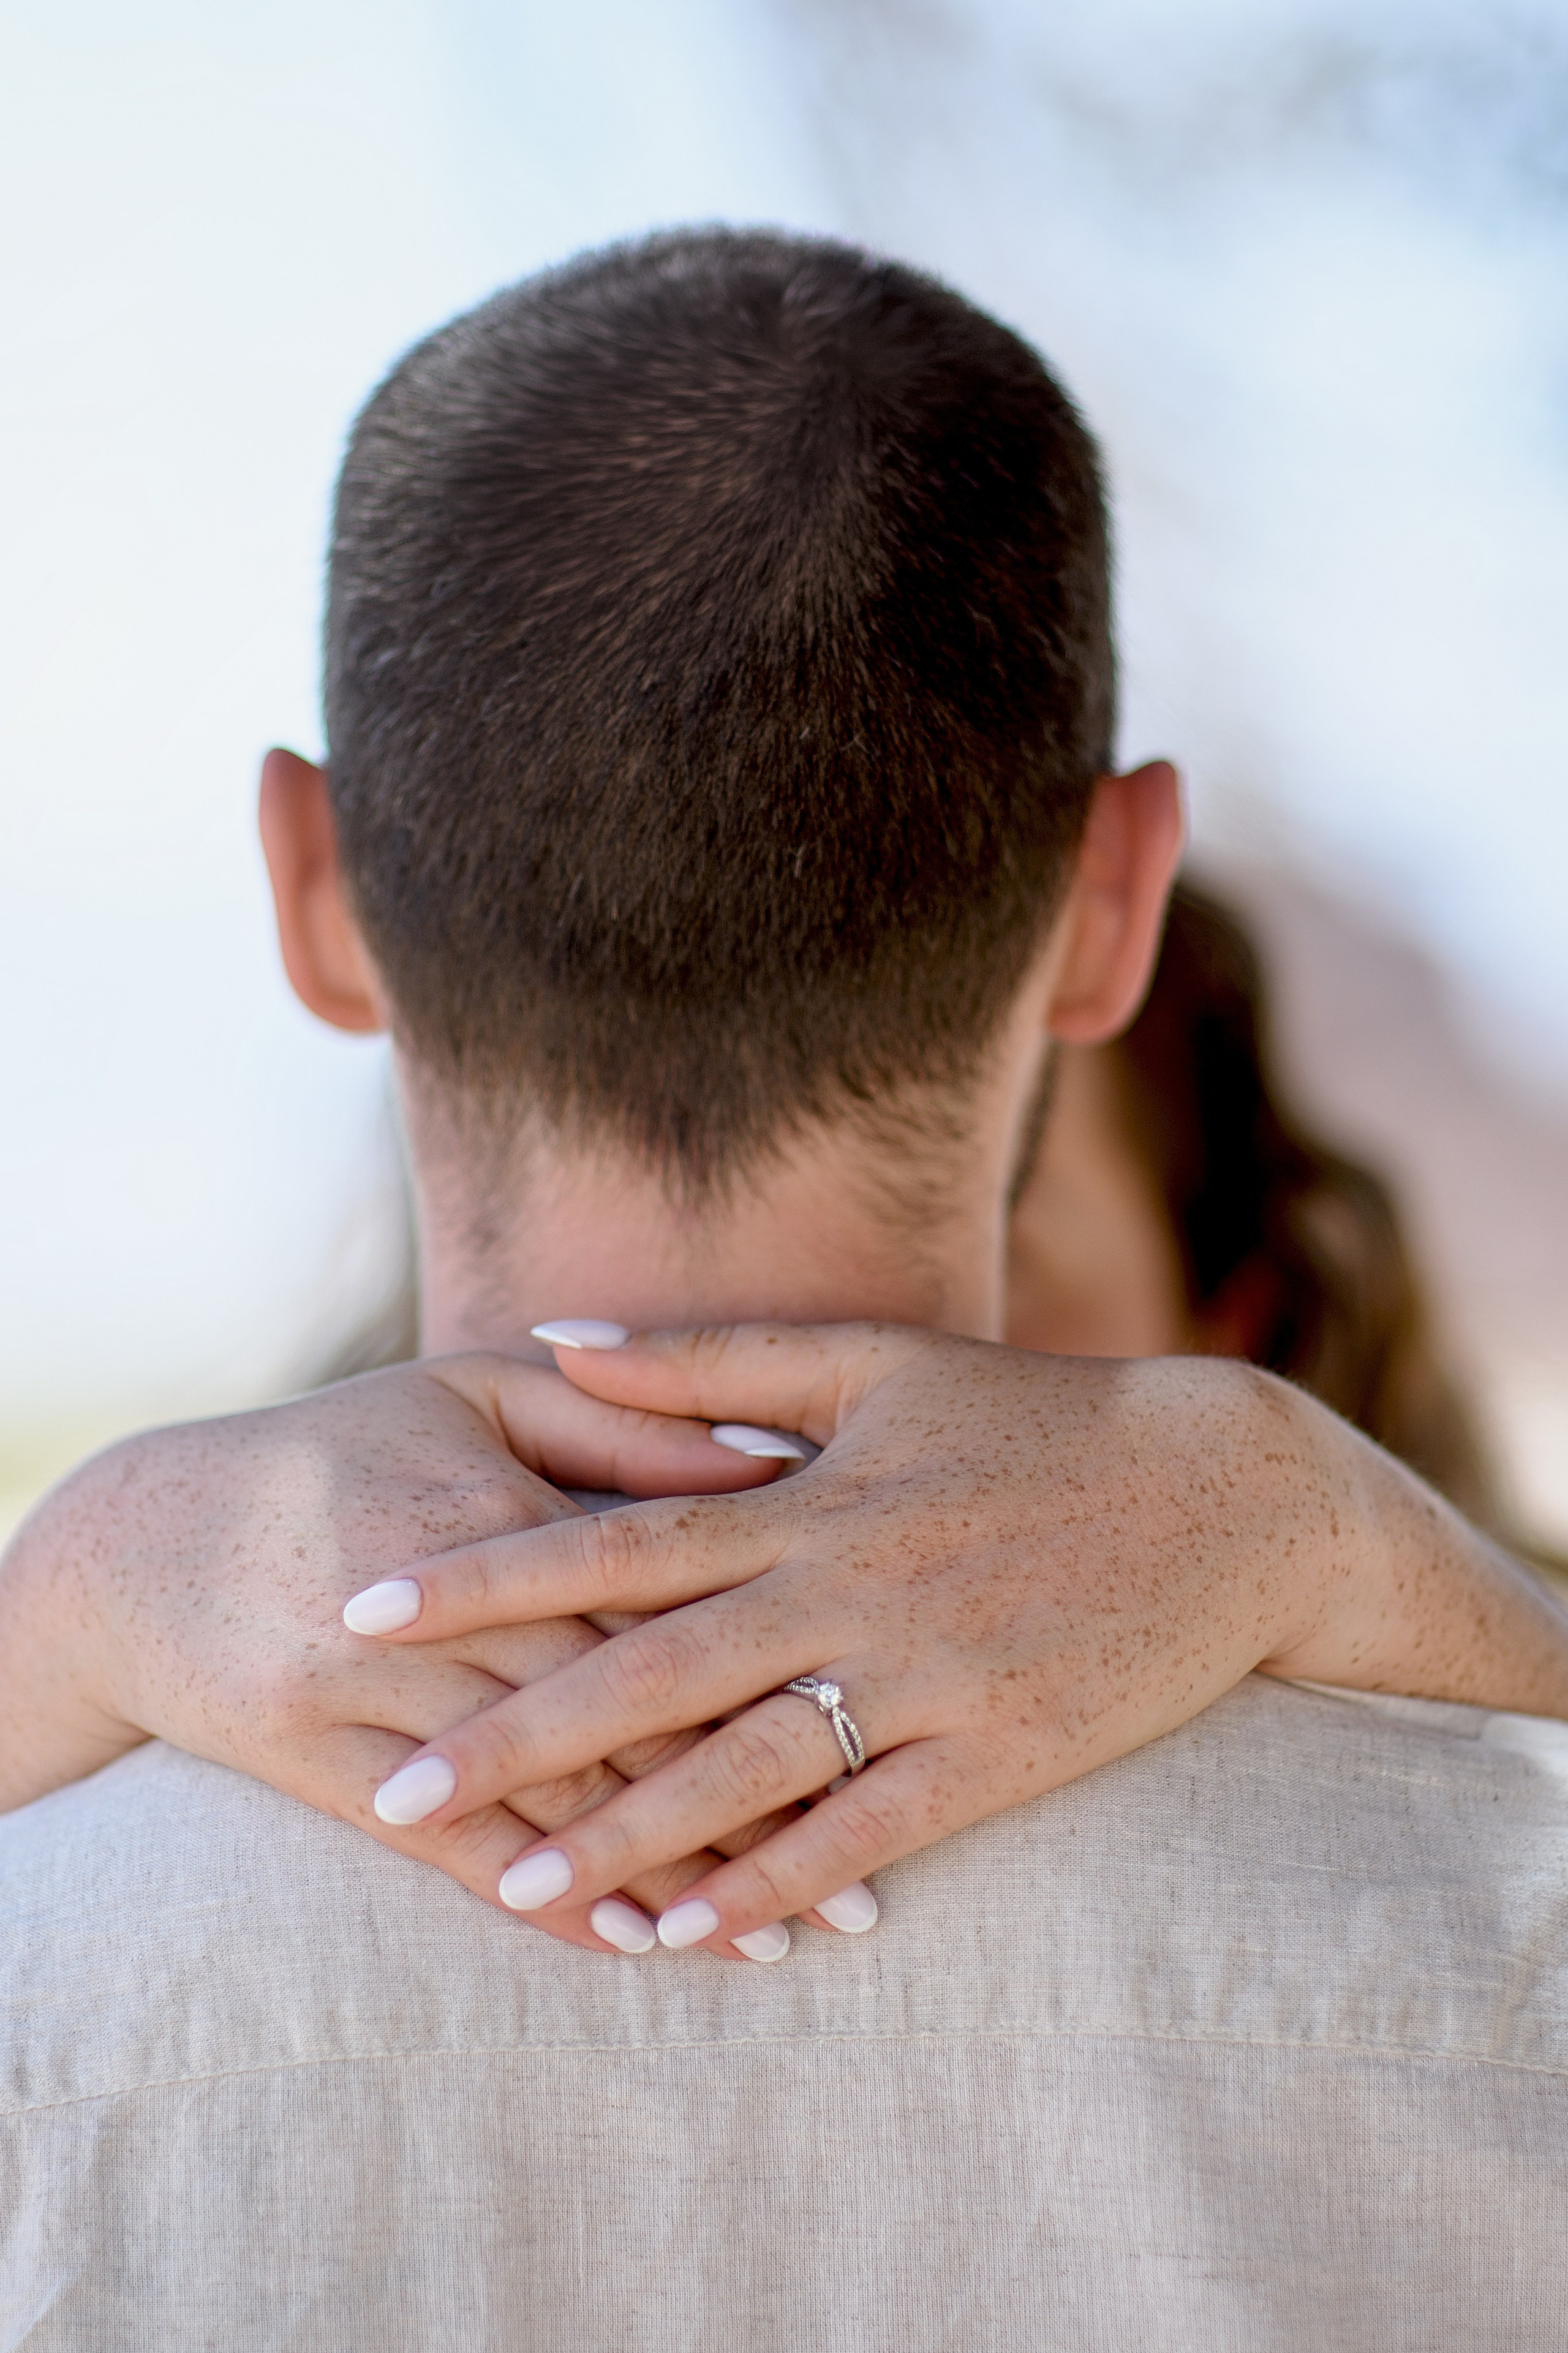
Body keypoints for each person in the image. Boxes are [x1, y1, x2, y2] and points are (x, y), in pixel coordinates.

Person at [4, 229, 1568, 2346]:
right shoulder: (1505, 1947)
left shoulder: (50, 1943)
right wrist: (1359, 1542)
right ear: (1115, 905)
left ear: (316, 891)